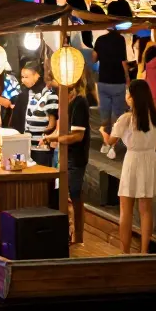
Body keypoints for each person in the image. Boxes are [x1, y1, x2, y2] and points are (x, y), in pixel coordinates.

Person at [100, 79, 156, 254]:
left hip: (133, 160)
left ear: (132, 97)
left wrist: (102, 131)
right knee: (146, 210)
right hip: (150, 160)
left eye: (127, 93)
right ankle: (144, 251)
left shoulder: (126, 119)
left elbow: (110, 141)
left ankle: (125, 252)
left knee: (126, 210)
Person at [45, 69, 94, 240]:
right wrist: (53, 138)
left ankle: (78, 235)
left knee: (74, 194)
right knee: (63, 193)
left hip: (75, 157)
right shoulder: (66, 101)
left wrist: (56, 138)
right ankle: (67, 230)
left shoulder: (79, 102)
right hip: (63, 154)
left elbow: (77, 136)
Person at [94, 23, 131, 160]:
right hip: (117, 81)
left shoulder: (100, 40)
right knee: (118, 115)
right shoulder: (120, 40)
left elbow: (94, 58)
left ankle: (106, 143)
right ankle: (114, 146)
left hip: (103, 80)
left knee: (105, 114)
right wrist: (127, 77)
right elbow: (123, 61)